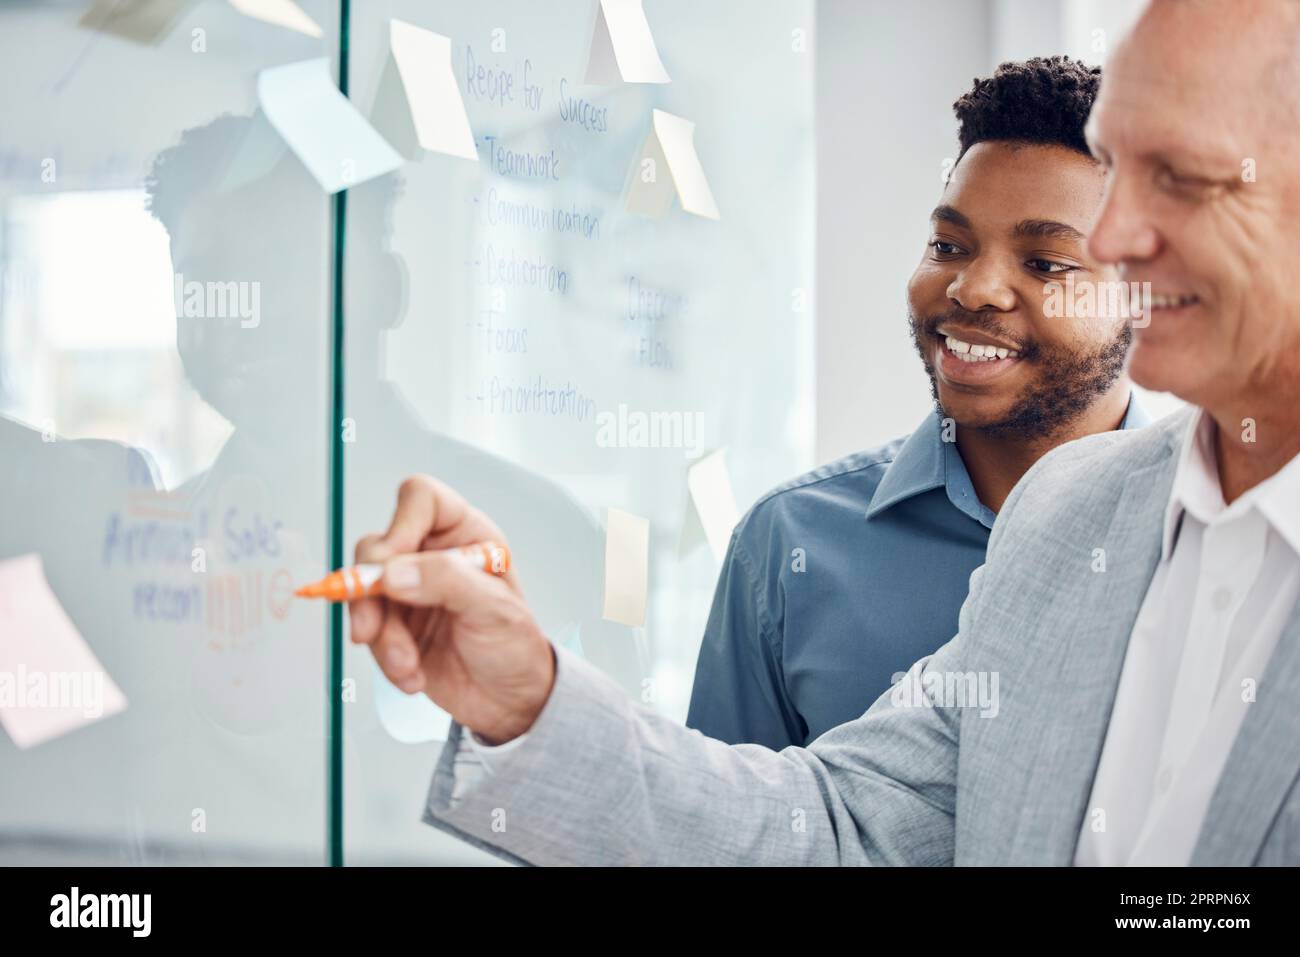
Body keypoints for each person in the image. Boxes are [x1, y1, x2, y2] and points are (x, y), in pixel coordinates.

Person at [349, 0, 1300, 865]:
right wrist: (533, 704)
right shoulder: (1068, 521)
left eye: (1179, 177)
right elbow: (835, 823)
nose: (1122, 237)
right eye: (1123, 171)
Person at [688, 56, 1149, 748]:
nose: (972, 287)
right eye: (948, 244)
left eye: (1046, 263)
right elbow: (719, 832)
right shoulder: (788, 545)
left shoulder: (1212, 543)